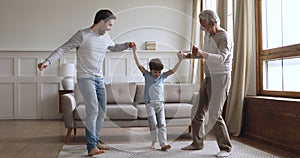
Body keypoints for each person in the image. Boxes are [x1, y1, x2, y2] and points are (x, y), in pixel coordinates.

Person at [37, 9, 135, 156]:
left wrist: (127, 44)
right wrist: (47, 62)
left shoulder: (105, 36)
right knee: (93, 109)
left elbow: (113, 47)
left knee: (102, 111)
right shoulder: (82, 35)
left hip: (99, 79)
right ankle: (91, 147)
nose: (110, 28)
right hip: (85, 78)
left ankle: (95, 140)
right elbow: (64, 48)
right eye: (109, 25)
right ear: (101, 22)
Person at [181, 10, 233, 157]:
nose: (202, 29)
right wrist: (188, 56)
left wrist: (202, 53)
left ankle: (225, 148)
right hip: (209, 76)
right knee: (197, 110)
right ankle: (197, 143)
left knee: (215, 114)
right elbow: (204, 55)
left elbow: (221, 58)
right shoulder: (208, 35)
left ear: (212, 23)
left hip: (221, 77)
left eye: (204, 26)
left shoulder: (224, 37)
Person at [131, 43, 184, 150]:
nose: (158, 74)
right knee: (153, 123)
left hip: (160, 103)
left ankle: (163, 143)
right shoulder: (147, 75)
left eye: (159, 72)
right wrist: (134, 51)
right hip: (149, 104)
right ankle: (154, 142)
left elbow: (173, 71)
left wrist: (180, 60)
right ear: (151, 70)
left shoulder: (162, 76)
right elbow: (138, 65)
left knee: (162, 123)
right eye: (155, 72)